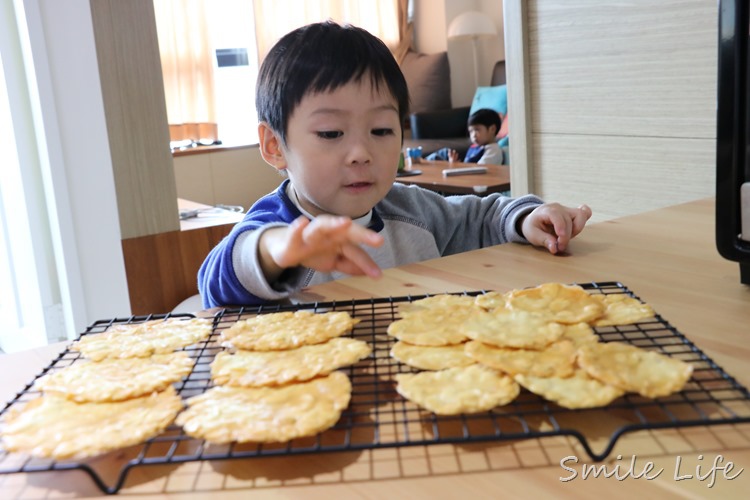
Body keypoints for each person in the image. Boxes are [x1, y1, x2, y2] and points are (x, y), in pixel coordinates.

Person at [198, 21, 592, 308]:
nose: (360, 153)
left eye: (382, 130)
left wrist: (527, 218)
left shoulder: (410, 209)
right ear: (274, 145)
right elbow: (215, 282)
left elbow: (480, 218)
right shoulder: (276, 228)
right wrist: (278, 250)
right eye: (332, 133)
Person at [426, 108, 504, 165]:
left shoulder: (493, 150)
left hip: (472, 182)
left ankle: (422, 164)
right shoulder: (476, 147)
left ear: (492, 129)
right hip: (465, 175)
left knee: (437, 158)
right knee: (444, 153)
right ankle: (422, 163)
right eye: (471, 131)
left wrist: (456, 167)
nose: (473, 135)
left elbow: (480, 170)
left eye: (477, 130)